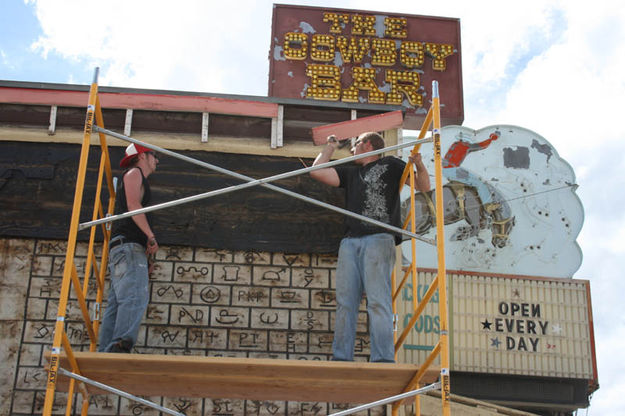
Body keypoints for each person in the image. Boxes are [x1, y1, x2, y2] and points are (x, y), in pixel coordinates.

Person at [310, 132, 430, 362]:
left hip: (379, 237)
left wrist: (420, 164)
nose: (352, 150)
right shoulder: (351, 172)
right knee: (346, 302)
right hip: (350, 241)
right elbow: (316, 171)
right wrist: (330, 148)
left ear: (367, 144)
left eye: (355, 145)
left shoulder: (391, 163)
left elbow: (423, 186)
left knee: (378, 300)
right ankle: (342, 357)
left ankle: (383, 358)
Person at [98, 143, 159, 353]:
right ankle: (119, 346)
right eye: (154, 156)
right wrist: (150, 237)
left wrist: (148, 256)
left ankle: (107, 350)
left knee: (118, 302)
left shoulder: (136, 175)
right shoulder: (134, 173)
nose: (157, 160)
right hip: (128, 248)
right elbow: (134, 206)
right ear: (142, 156)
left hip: (126, 248)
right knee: (135, 296)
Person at [442, 131, 500, 209]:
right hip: (454, 170)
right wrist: (491, 139)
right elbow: (482, 145)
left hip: (446, 170)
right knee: (479, 184)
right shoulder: (465, 146)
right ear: (466, 141)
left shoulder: (455, 144)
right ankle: (488, 205)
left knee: (472, 178)